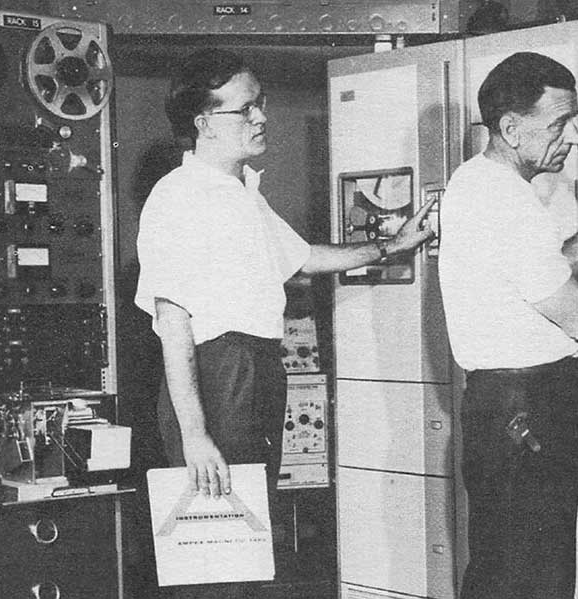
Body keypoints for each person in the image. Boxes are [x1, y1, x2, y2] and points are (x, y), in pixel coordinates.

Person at [134, 48, 436, 598]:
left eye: (261, 104)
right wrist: (195, 435)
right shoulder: (178, 197)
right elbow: (172, 321)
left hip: (254, 372)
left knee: (247, 547)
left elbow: (303, 257)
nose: (260, 117)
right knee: (218, 558)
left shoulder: (240, 193)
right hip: (216, 377)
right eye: (245, 109)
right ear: (204, 123)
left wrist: (391, 246)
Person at [437, 51, 578, 599]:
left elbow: (553, 263)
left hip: (506, 404)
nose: (570, 138)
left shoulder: (480, 183)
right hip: (527, 404)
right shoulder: (503, 198)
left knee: (507, 568)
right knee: (532, 575)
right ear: (511, 128)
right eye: (558, 124)